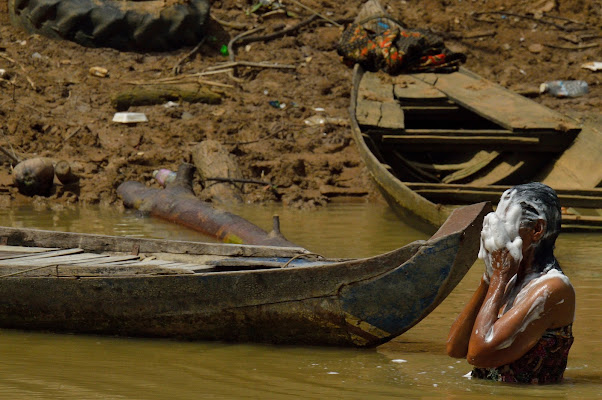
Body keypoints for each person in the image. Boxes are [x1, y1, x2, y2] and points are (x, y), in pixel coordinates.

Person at [446, 182, 575, 384]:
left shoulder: (553, 288)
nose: (493, 234)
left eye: (503, 224)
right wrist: (489, 277)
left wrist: (498, 277)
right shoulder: (508, 278)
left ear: (537, 230)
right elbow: (455, 348)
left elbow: (477, 355)